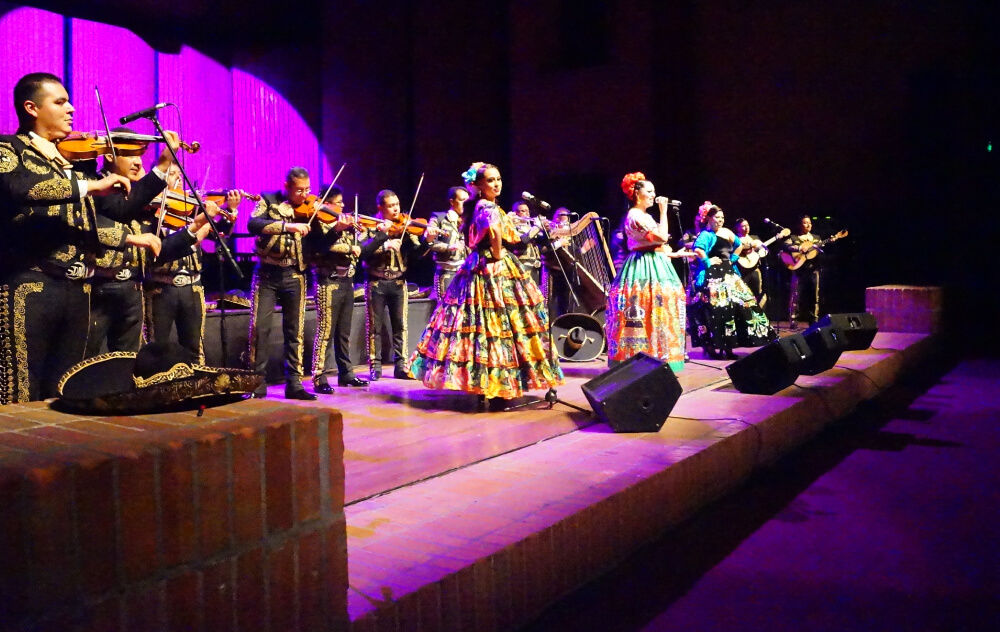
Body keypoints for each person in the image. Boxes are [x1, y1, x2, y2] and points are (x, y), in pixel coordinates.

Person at [0, 72, 161, 403]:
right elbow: (19, 188)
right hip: (30, 285)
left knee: (65, 391)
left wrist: (130, 239)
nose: (71, 108)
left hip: (77, 288)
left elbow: (84, 223)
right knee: (20, 392)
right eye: (60, 102)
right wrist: (90, 185)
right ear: (31, 108)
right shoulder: (8, 148)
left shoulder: (70, 164)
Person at [408, 162, 563, 410]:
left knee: (483, 327)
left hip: (478, 265)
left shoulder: (479, 207)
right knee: (498, 325)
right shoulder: (488, 207)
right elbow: (496, 239)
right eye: (490, 180)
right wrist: (501, 253)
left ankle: (489, 382)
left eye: (498, 179)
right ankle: (500, 383)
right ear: (478, 185)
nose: (496, 183)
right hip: (492, 267)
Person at [90, 135, 223, 357]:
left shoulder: (141, 199)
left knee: (129, 360)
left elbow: (158, 251)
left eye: (140, 155)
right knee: (88, 358)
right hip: (97, 288)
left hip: (132, 289)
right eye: (130, 154)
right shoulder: (95, 188)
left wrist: (192, 231)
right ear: (108, 155)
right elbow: (92, 228)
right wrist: (131, 238)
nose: (138, 162)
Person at [144, 163, 240, 363]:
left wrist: (230, 212)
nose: (178, 179)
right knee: (156, 345)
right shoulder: (150, 210)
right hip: (162, 286)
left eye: (180, 175)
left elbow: (219, 235)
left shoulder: (191, 208)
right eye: (172, 175)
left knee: (194, 347)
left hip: (192, 285)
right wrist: (196, 226)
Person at [306, 186, 390, 394]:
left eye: (343, 202)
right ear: (327, 204)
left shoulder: (348, 226)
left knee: (344, 332)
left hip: (347, 281)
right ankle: (318, 376)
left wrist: (379, 236)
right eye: (338, 202)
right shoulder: (320, 224)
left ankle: (346, 373)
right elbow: (322, 247)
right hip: (328, 280)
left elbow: (361, 251)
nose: (343, 206)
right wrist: (339, 230)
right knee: (325, 332)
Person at [605, 172, 690, 372]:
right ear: (637, 194)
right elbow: (661, 237)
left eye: (654, 191)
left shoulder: (643, 216)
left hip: (655, 262)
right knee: (644, 309)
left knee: (660, 311)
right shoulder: (635, 216)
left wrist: (675, 254)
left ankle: (658, 357)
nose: (654, 195)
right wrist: (663, 212)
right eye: (649, 191)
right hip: (643, 266)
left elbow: (657, 244)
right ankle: (640, 361)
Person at [247, 167, 315, 400]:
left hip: (295, 274)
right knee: (260, 329)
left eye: (307, 190)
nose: (304, 195)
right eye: (299, 190)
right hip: (266, 273)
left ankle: (294, 383)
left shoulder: (309, 208)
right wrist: (288, 226)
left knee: (294, 330)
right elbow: (253, 224)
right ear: (287, 187)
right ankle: (256, 382)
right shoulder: (268, 199)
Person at [362, 189, 435, 380]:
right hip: (376, 281)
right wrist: (384, 241)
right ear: (380, 208)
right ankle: (375, 366)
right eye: (391, 206)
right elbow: (363, 251)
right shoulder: (371, 226)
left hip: (398, 281)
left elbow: (417, 254)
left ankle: (401, 365)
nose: (396, 209)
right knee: (374, 327)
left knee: (400, 326)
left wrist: (427, 241)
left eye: (397, 205)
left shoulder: (404, 227)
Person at [688, 205, 775, 359]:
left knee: (740, 305)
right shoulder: (705, 234)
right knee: (718, 310)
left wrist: (734, 258)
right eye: (717, 218)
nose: (720, 221)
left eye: (722, 218)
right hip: (713, 276)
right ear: (709, 218)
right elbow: (698, 249)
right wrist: (707, 261)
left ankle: (730, 346)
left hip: (729, 273)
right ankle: (712, 346)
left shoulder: (726, 232)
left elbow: (739, 244)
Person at [426, 186, 469, 304]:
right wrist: (448, 247)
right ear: (452, 201)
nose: (465, 204)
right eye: (462, 200)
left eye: (467, 201)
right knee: (445, 309)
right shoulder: (438, 218)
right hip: (447, 272)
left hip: (466, 271)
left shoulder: (468, 220)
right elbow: (429, 242)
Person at [781, 214, 821, 328]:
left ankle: (814, 319)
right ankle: (793, 319)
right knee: (796, 295)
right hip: (799, 269)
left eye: (809, 223)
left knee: (814, 296)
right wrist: (798, 248)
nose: (808, 224)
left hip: (813, 270)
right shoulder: (794, 237)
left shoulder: (817, 238)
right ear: (800, 225)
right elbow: (785, 245)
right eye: (805, 222)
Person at [732, 217, 767, 306]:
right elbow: (736, 248)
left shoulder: (754, 238)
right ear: (737, 228)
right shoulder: (734, 238)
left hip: (755, 269)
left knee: (757, 292)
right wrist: (751, 245)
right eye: (743, 226)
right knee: (742, 293)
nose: (746, 227)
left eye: (747, 225)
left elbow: (762, 252)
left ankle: (758, 313)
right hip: (741, 270)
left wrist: (761, 250)